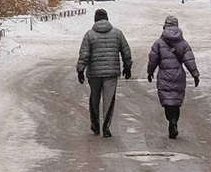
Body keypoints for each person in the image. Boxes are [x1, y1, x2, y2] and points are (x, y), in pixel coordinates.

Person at [76, 7, 133, 137]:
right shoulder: (117, 33)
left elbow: (84, 54)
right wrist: (127, 66)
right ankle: (106, 127)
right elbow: (126, 51)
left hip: (94, 73)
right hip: (111, 74)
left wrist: (80, 69)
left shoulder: (89, 35)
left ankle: (95, 124)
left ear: (95, 19)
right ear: (107, 19)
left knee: (94, 98)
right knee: (109, 100)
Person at [147, 17, 200, 140]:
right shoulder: (183, 43)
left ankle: (172, 121)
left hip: (164, 76)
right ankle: (175, 121)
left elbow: (153, 59)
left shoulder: (159, 43)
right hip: (178, 75)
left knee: (168, 101)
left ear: (164, 26)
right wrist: (195, 74)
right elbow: (189, 60)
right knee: (176, 101)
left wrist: (150, 72)